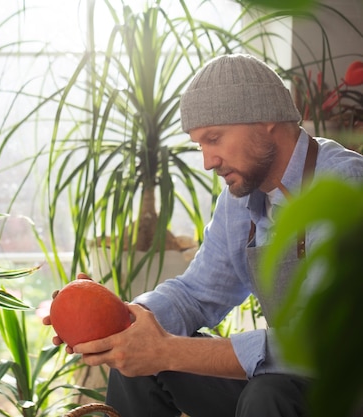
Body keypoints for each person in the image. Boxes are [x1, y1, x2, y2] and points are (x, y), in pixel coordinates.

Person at [43, 54, 363, 417]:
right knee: (138, 365)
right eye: (200, 145)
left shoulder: (346, 187)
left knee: (267, 394)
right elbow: (197, 294)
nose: (208, 162)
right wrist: (122, 322)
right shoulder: (241, 198)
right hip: (291, 381)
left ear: (267, 117)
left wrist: (167, 349)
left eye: (214, 138)